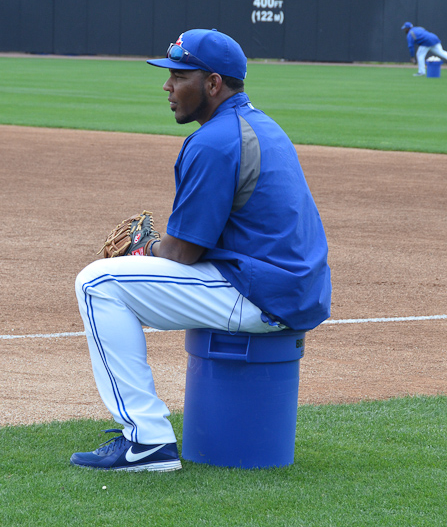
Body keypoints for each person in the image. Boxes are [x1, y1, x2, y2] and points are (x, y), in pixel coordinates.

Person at [71, 28, 332, 472]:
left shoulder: (215, 141)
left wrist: (142, 246)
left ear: (213, 84)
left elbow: (181, 254)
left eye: (179, 76)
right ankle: (148, 439)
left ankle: (146, 441)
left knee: (97, 282)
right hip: (290, 289)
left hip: (262, 295)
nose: (168, 86)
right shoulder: (259, 125)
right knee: (111, 278)